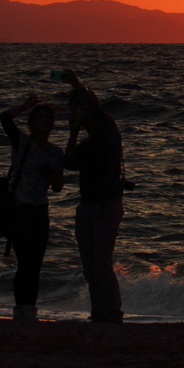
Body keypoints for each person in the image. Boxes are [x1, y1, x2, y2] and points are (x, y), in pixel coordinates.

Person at [62, 71, 126, 323]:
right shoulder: (86, 142)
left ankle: (111, 314)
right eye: (73, 107)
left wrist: (76, 84)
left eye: (79, 106)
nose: (78, 110)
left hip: (105, 205)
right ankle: (99, 314)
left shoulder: (107, 128)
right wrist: (74, 132)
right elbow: (69, 163)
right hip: (87, 206)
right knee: (90, 269)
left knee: (101, 265)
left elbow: (94, 105)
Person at [0, 95, 65, 322]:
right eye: (41, 117)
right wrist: (26, 105)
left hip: (40, 211)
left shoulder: (57, 152)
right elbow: (5, 118)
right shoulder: (22, 142)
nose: (46, 121)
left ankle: (30, 311)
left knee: (35, 264)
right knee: (25, 263)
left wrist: (54, 175)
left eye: (49, 117)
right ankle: (21, 311)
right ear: (32, 123)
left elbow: (58, 187)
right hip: (19, 210)